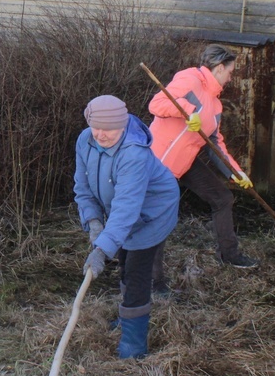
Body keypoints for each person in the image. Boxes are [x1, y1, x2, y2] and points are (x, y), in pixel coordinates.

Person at [75, 95, 180, 359]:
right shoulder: (85, 140)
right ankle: (127, 318)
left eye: (109, 129)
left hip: (153, 212)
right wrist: (94, 222)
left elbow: (126, 210)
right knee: (124, 259)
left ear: (122, 126)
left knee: (135, 272)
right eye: (96, 127)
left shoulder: (134, 153)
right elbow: (83, 188)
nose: (101, 134)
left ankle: (134, 345)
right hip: (123, 211)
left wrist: (100, 251)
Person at [148, 44, 259, 269]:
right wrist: (187, 110)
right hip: (158, 162)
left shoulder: (216, 105)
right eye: (230, 72)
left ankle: (229, 254)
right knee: (156, 216)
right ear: (219, 68)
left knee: (223, 198)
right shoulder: (191, 78)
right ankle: (153, 281)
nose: (230, 78)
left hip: (186, 161)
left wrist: (235, 172)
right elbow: (157, 103)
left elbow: (215, 144)